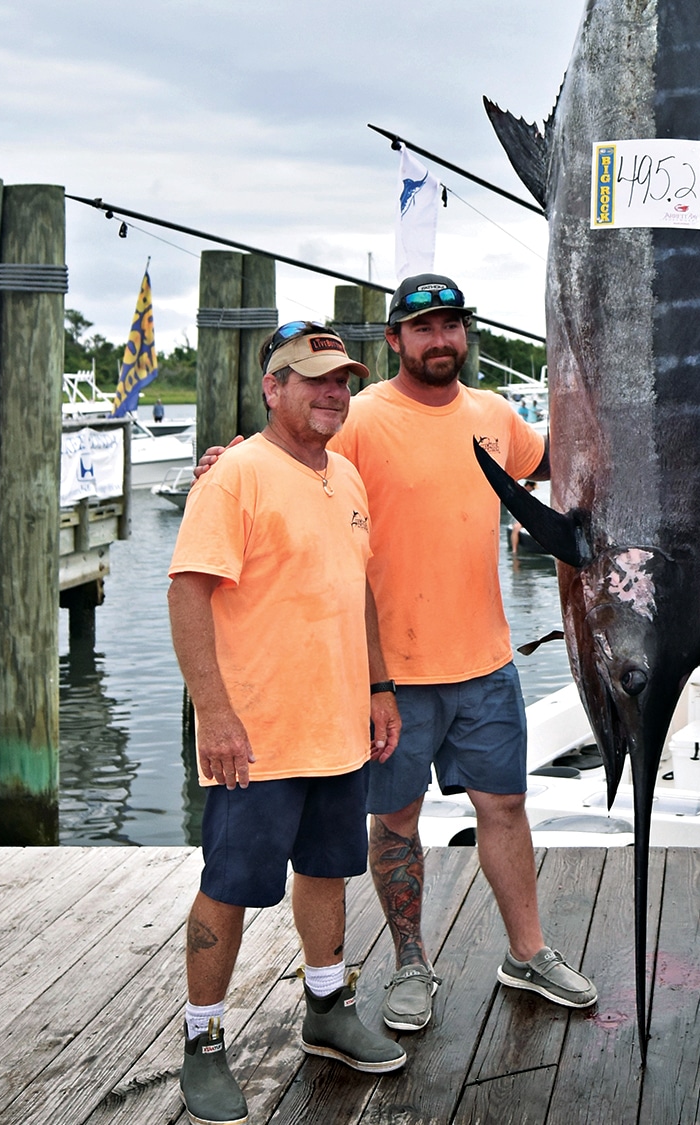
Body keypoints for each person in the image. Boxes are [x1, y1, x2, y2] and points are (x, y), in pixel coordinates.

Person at [197, 275, 595, 1038]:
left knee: (505, 808)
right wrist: (227, 463)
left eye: (452, 325)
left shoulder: (495, 416)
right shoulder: (360, 416)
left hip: (485, 660)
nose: (441, 339)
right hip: (391, 674)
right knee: (396, 820)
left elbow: (554, 469)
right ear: (395, 339)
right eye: (423, 327)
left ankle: (529, 950)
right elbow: (290, 454)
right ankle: (412, 961)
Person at [170, 323, 405, 1125]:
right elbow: (189, 592)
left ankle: (327, 1005)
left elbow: (359, 588)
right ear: (273, 388)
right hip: (255, 739)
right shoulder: (235, 474)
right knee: (229, 885)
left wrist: (379, 685)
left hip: (337, 726)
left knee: (328, 868)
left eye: (342, 379)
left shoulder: (345, 476)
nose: (332, 391)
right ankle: (203, 1040)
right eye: (312, 378)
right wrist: (216, 711)